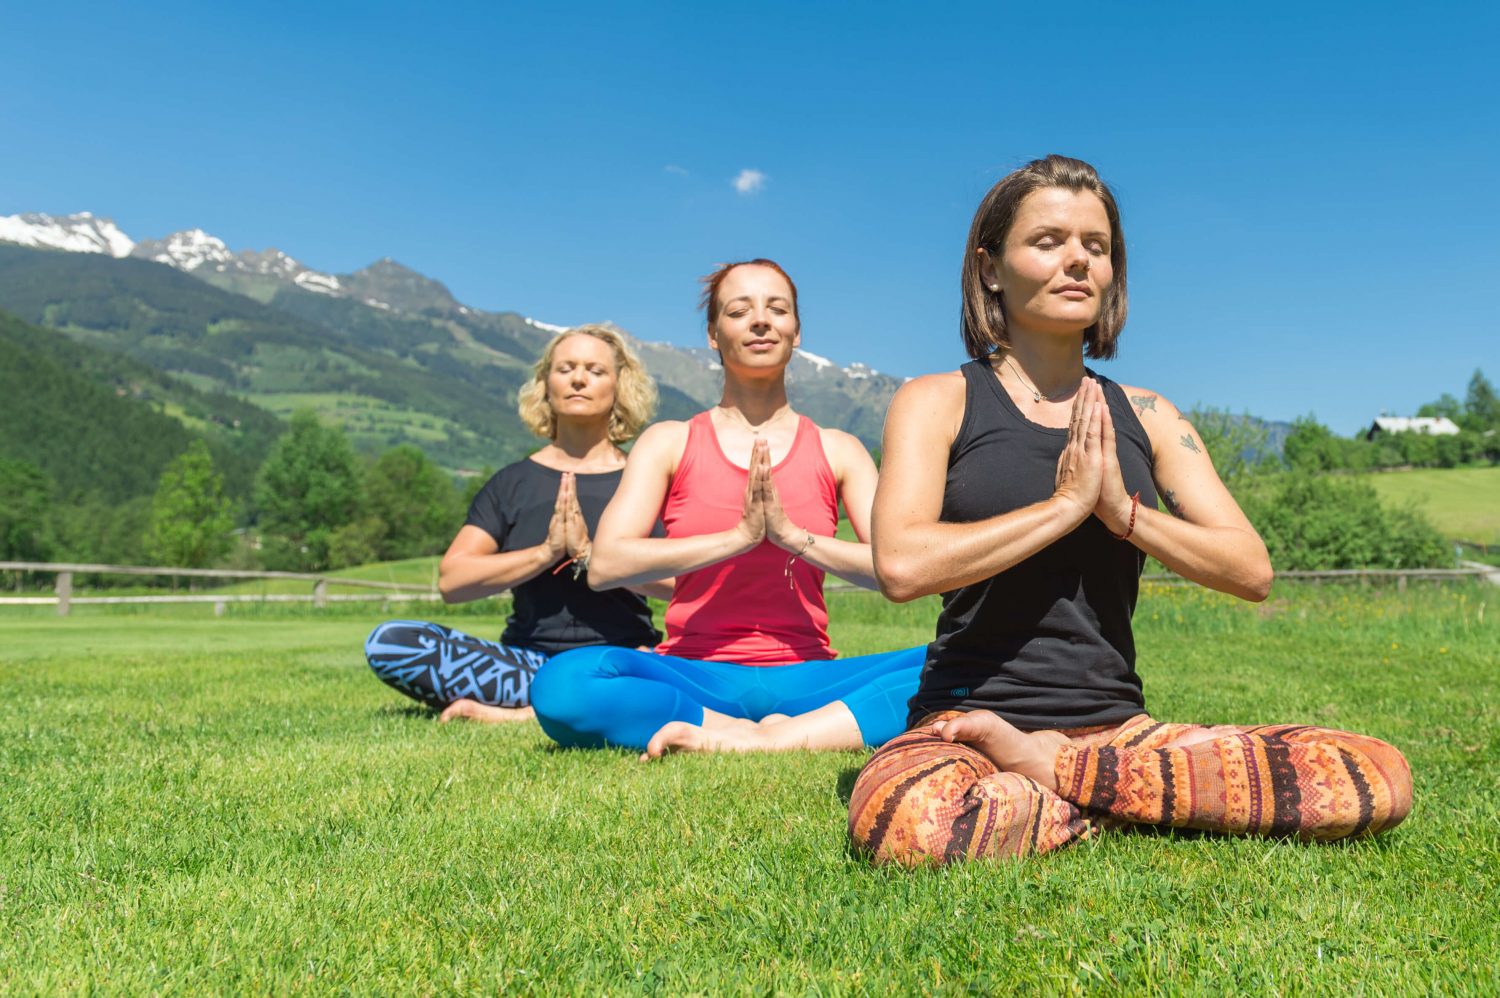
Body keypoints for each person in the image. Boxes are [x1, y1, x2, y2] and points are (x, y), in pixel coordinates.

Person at [848, 155, 1413, 865]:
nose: (1077, 260)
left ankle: (1058, 779)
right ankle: (1140, 801)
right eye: (1048, 241)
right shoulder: (936, 402)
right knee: (913, 822)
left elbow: (1250, 569)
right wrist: (1064, 508)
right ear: (990, 268)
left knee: (1376, 777)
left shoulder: (1148, 414)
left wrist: (1125, 514)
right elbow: (901, 565)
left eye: (1097, 245)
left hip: (1118, 732)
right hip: (969, 723)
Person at [531, 259, 925, 756]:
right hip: (695, 672)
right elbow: (607, 565)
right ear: (714, 335)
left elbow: (899, 572)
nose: (760, 320)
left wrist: (793, 538)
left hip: (808, 676)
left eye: (776, 309)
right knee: (563, 682)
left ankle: (777, 737)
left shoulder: (839, 449)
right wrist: (737, 538)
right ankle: (727, 728)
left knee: (973, 660)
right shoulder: (668, 443)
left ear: (796, 331)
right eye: (739, 311)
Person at [364, 324, 668, 722]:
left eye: (595, 370)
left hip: (621, 657)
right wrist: (546, 553)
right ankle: (557, 701)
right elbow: (453, 582)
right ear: (545, 385)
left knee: (709, 665)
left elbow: (685, 585)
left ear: (619, 387)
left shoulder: (644, 480)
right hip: (528, 664)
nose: (578, 378)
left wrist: (589, 556)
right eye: (566, 368)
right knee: (391, 643)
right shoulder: (511, 484)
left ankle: (522, 714)